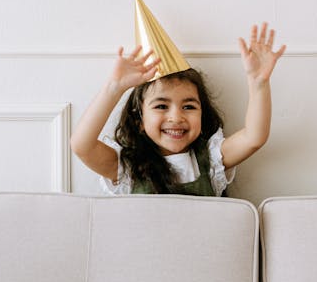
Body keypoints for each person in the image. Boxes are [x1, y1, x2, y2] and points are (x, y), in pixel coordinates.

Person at [71, 22, 285, 195]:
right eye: (162, 106)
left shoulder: (211, 161)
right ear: (139, 121)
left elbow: (254, 137)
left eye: (189, 106)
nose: (176, 116)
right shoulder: (127, 168)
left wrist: (258, 84)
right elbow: (82, 145)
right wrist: (113, 89)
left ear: (203, 116)